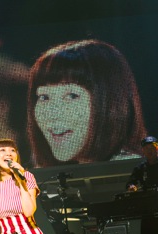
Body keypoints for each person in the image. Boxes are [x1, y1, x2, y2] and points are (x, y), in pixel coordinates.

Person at [27, 39, 145, 167]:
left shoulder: (131, 170)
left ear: (109, 103)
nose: (52, 113)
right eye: (44, 97)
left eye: (71, 96)